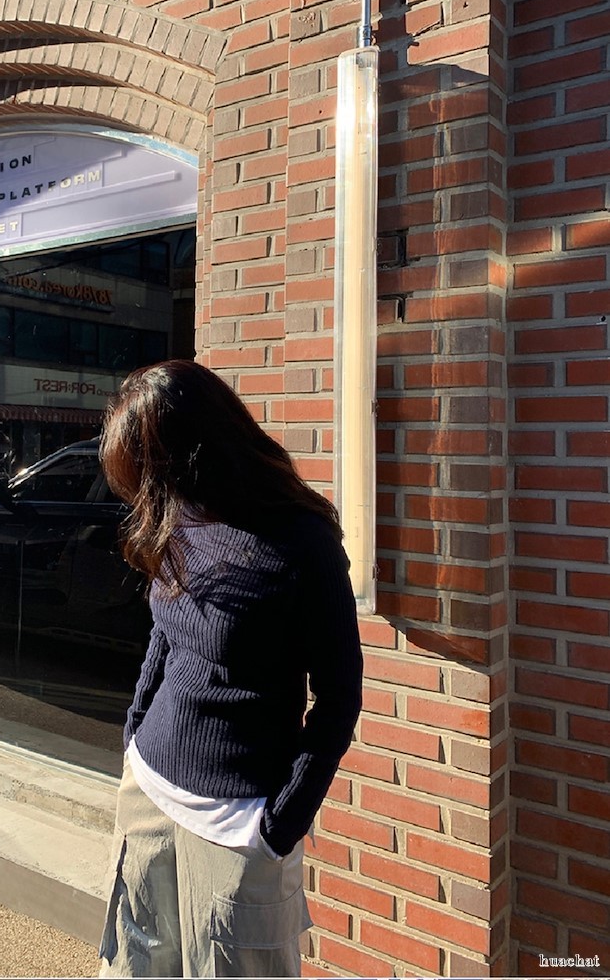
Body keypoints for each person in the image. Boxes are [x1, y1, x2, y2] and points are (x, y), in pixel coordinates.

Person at [98, 360, 362, 979]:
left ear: (187, 455)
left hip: (239, 824)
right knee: (134, 966)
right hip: (148, 792)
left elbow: (339, 697)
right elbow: (165, 634)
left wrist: (279, 825)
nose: (141, 494)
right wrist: (135, 732)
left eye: (144, 473)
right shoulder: (178, 514)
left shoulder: (303, 543)